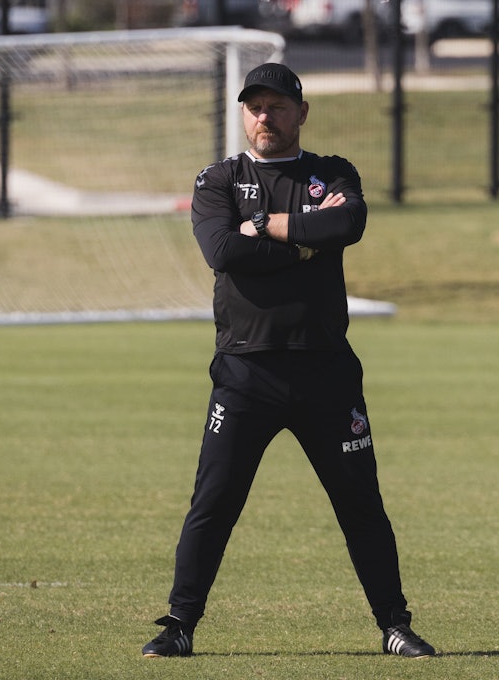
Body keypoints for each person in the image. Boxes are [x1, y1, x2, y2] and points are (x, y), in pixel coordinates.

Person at [142, 63, 435, 659]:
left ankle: (394, 626)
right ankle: (179, 625)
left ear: (301, 113)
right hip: (246, 371)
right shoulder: (218, 180)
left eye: (277, 106)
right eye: (254, 106)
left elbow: (348, 222)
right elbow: (222, 251)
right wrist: (305, 242)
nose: (264, 117)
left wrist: (269, 229)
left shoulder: (332, 173)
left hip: (326, 370)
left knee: (360, 504)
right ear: (242, 114)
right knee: (215, 501)